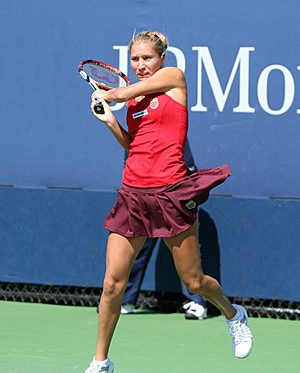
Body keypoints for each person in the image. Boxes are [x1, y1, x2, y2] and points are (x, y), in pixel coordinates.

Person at [84, 31, 253, 373]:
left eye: (147, 58)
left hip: (170, 194)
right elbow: (135, 147)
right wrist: (111, 122)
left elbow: (125, 91)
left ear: (162, 58)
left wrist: (114, 94)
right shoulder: (132, 102)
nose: (141, 65)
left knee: (194, 282)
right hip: (133, 193)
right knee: (111, 284)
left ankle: (234, 315)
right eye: (135, 59)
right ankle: (100, 362)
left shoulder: (174, 78)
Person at [121, 138, 207, 320]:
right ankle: (126, 299)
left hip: (172, 196)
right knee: (136, 247)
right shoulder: (136, 127)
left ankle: (197, 302)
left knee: (186, 253)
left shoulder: (173, 124)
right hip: (142, 194)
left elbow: (189, 168)